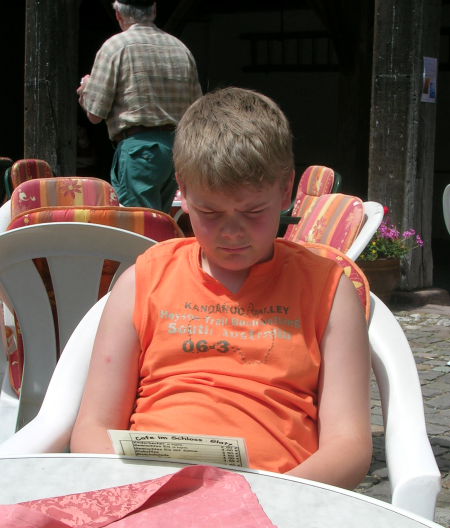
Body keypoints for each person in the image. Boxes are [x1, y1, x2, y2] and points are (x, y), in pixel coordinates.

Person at [70, 87, 372, 490]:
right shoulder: (145, 280)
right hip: (148, 487)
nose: (231, 232)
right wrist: (129, 488)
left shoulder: (327, 291)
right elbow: (93, 427)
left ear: (286, 189)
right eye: (210, 212)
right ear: (182, 190)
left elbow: (349, 445)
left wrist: (270, 496)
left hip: (277, 494)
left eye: (253, 211)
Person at [77, 0, 202, 213]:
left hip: (140, 150)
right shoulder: (180, 48)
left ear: (119, 14)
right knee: (161, 219)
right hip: (177, 150)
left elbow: (95, 114)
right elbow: (197, 110)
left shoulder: (115, 47)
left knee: (138, 223)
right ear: (154, 10)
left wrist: (86, 88)